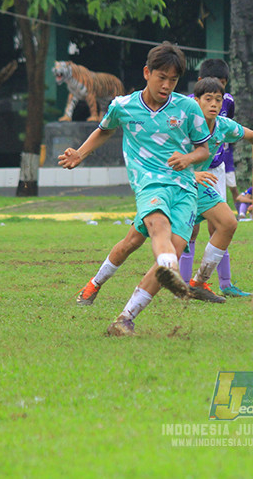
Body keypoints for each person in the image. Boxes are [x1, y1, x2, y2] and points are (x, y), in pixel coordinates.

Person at [73, 77, 253, 308]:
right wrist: (191, 173)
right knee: (132, 242)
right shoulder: (181, 121)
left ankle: (198, 282)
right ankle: (94, 284)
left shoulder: (223, 126)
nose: (214, 105)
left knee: (228, 223)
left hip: (196, 189)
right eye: (208, 99)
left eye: (218, 100)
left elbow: (251, 135)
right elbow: (161, 156)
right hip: (168, 186)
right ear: (196, 101)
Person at [59, 43, 212, 337]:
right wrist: (80, 153)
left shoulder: (188, 108)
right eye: (161, 78)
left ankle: (125, 318)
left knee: (139, 244)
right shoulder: (123, 106)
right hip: (149, 183)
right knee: (158, 226)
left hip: (184, 189)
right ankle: (157, 269)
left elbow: (203, 149)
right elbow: (105, 129)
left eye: (173, 80)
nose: (166, 85)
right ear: (146, 73)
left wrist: (188, 159)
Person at [180, 59, 248, 297]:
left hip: (215, 169)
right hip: (191, 171)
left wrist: (227, 167)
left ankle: (225, 284)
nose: (216, 101)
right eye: (210, 95)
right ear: (200, 85)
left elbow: (227, 134)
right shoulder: (186, 106)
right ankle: (185, 285)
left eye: (222, 86)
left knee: (221, 224)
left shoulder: (227, 102)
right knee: (191, 229)